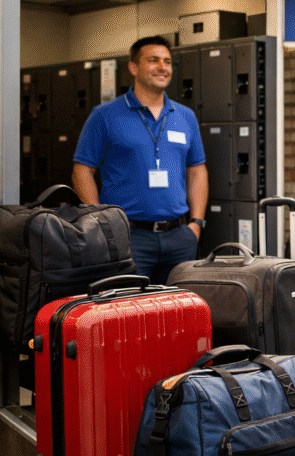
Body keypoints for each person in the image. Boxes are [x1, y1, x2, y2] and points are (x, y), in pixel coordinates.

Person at [72, 35, 208, 285]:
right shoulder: (105, 115)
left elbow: (197, 170)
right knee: (129, 311)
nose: (162, 67)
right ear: (133, 67)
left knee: (176, 312)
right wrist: (100, 222)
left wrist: (196, 224)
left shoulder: (185, 116)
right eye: (153, 60)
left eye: (167, 61)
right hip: (128, 235)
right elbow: (82, 171)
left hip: (179, 236)